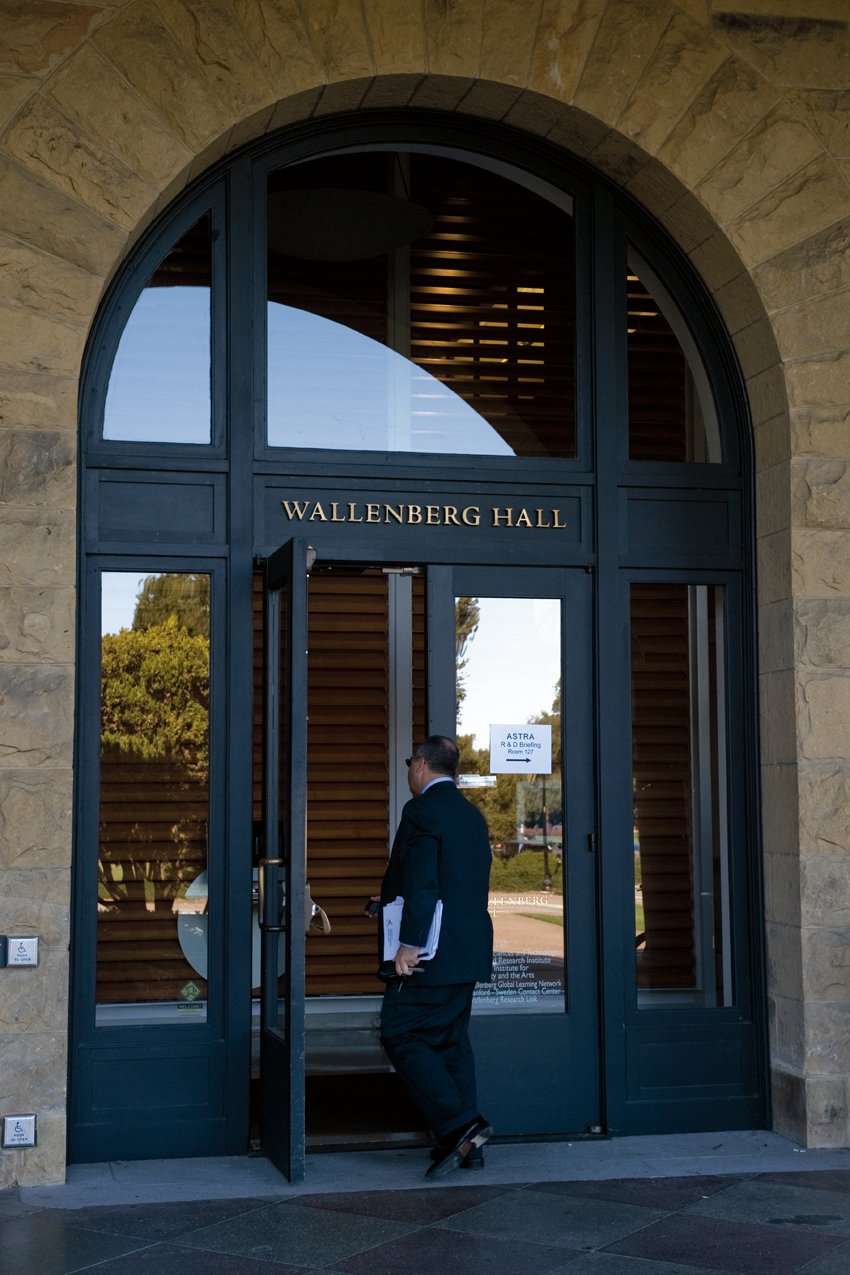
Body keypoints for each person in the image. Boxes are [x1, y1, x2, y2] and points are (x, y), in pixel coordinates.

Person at [378, 734, 494, 1179]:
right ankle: (468, 1149)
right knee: (450, 1042)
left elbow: (425, 880)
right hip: (468, 949)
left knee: (399, 1031)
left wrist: (410, 942)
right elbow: (453, 881)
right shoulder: (471, 814)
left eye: (410, 762)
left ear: (421, 764)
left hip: (432, 952)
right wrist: (387, 902)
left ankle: (462, 1125)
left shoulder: (422, 809)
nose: (410, 769)